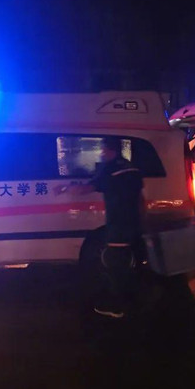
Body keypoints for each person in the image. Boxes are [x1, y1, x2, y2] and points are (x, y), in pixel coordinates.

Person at [54, 137, 144, 319]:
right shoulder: (131, 167)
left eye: (103, 149)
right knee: (130, 260)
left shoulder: (110, 169)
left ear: (111, 150)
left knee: (116, 262)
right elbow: (140, 196)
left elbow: (85, 189)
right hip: (133, 220)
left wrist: (64, 188)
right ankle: (135, 302)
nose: (101, 153)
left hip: (118, 221)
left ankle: (117, 306)